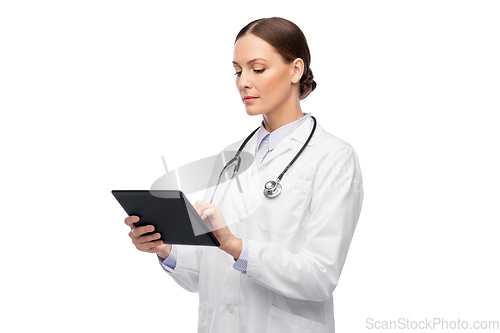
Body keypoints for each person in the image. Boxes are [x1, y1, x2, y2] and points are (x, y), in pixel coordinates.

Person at [124, 17, 363, 333]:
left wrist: (237, 246)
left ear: (295, 70)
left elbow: (320, 276)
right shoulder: (232, 157)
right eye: (237, 71)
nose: (242, 82)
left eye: (257, 69)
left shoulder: (334, 157)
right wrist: (164, 248)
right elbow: (210, 273)